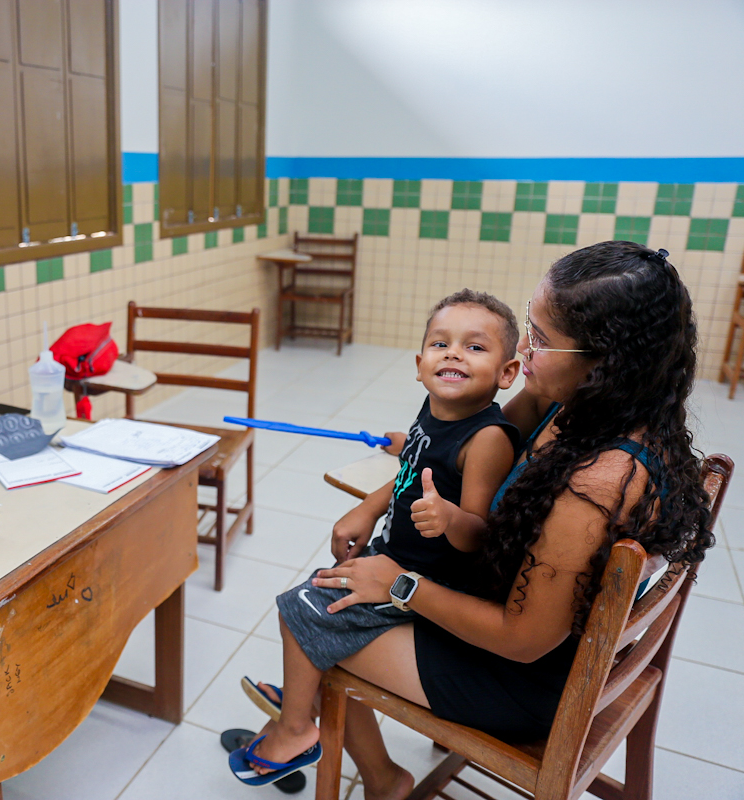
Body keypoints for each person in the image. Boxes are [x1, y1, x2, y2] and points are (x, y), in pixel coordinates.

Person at [253, 241, 712, 800]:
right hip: (520, 616)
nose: (523, 348)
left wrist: (400, 585)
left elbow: (523, 641)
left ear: (603, 361)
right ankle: (352, 753)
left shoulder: (595, 485)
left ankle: (332, 748)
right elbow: (454, 447)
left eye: (540, 340)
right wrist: (379, 499)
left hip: (520, 677)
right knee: (339, 591)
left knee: (313, 616)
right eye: (528, 325)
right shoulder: (581, 403)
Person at [231, 290, 522, 785]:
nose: (453, 353)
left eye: (475, 348)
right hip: (395, 559)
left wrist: (450, 519)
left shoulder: (488, 440)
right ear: (419, 363)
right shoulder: (435, 413)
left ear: (508, 373)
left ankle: (296, 726)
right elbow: (418, 463)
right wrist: (371, 503)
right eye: (440, 343)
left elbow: (480, 534)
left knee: (298, 608)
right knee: (317, 591)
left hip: (426, 586)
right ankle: (380, 776)